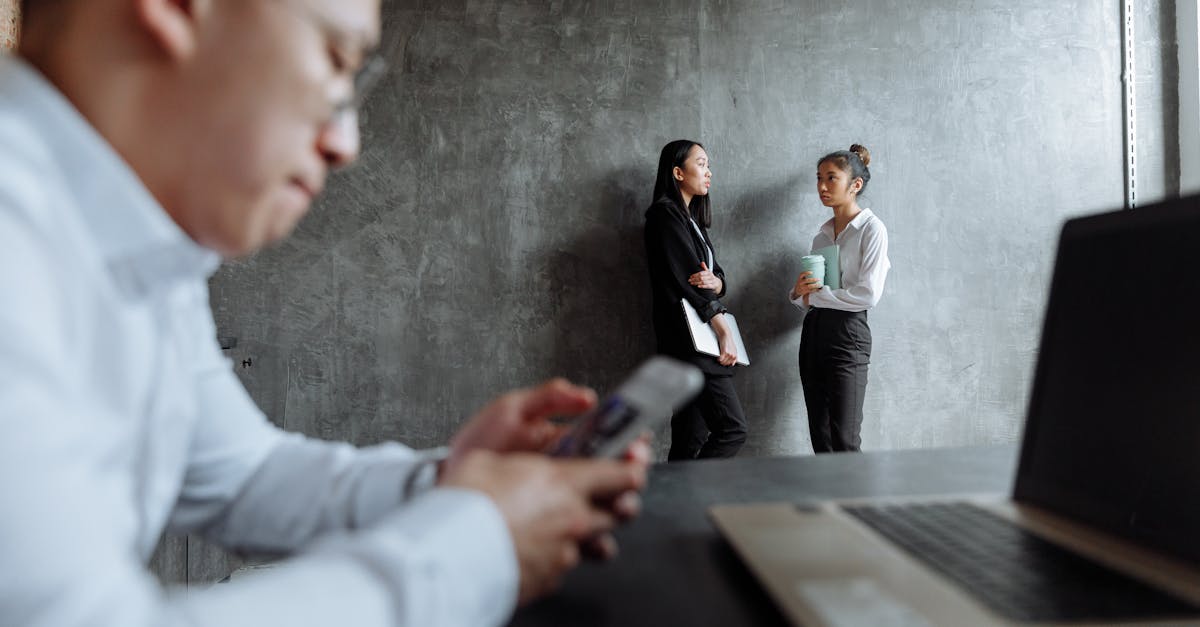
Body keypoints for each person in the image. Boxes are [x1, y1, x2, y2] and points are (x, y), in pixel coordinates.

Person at [0, 1, 651, 626]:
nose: (347, 143)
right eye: (337, 60)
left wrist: (453, 482)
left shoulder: (138, 246)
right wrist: (478, 544)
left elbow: (243, 476)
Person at [643, 139, 748, 461]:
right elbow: (688, 282)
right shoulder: (664, 215)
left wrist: (718, 282)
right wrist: (724, 332)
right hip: (692, 342)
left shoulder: (692, 221)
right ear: (677, 172)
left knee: (691, 436)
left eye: (707, 164)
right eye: (700, 164)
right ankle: (692, 499)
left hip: (690, 341)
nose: (708, 172)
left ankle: (674, 505)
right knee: (732, 430)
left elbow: (712, 277)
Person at [789, 144, 891, 453]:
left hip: (849, 335)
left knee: (845, 438)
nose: (821, 186)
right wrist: (799, 292)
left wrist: (817, 297)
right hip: (814, 333)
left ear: (855, 184)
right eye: (819, 178)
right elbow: (808, 298)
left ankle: (855, 503)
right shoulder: (821, 235)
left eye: (831, 178)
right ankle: (826, 502)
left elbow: (868, 294)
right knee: (821, 438)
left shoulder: (872, 229)